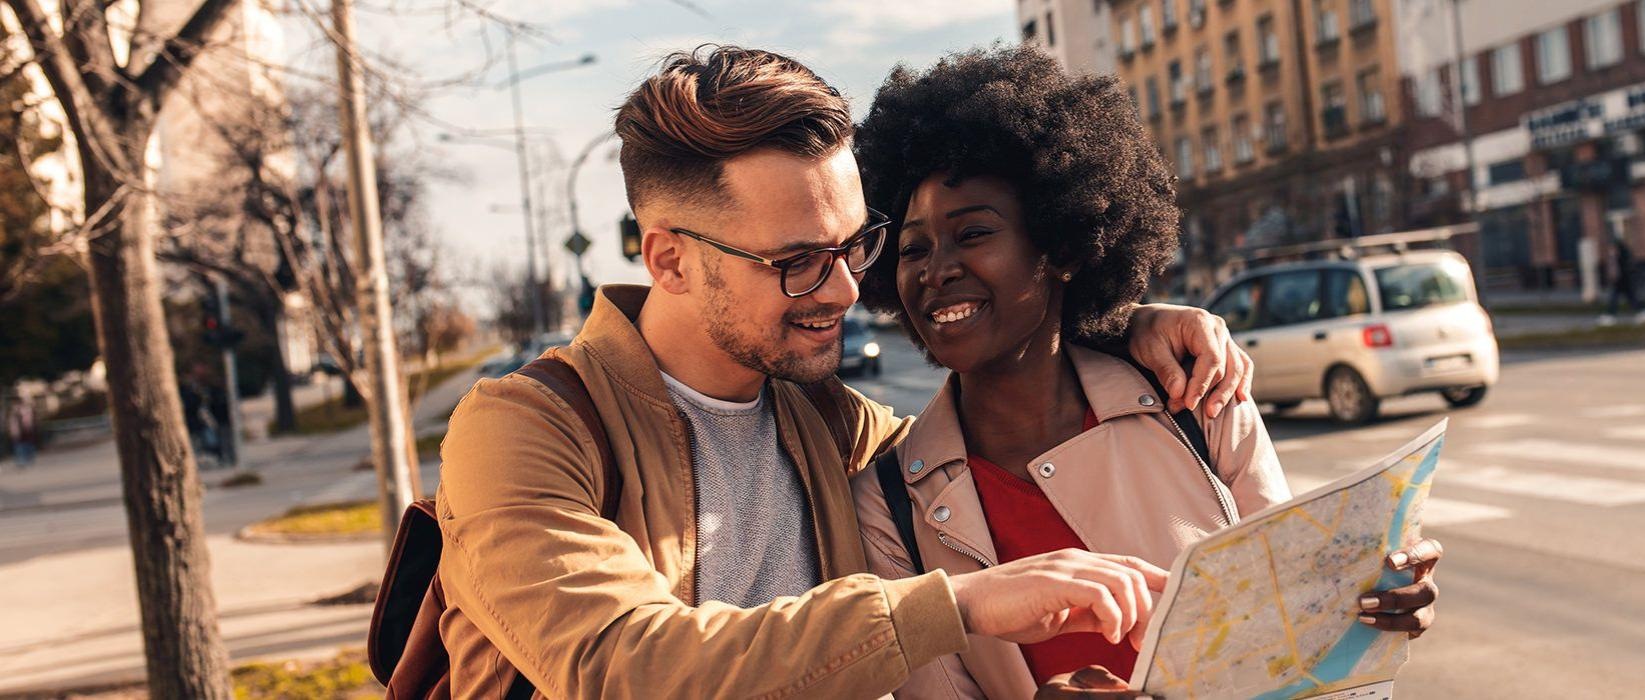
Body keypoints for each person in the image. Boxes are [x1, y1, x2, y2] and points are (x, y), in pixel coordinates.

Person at [433, 45, 1259, 698]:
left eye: (854, 244)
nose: (844, 289)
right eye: (796, 261)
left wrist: (1117, 327)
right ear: (670, 261)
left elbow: (996, 417)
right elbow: (621, 664)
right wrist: (956, 606)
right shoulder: (525, 427)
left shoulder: (832, 422)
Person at [849, 46, 1443, 698]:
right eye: (913, 249)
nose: (936, 270)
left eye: (972, 235)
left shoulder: (1194, 393)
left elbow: (1294, 632)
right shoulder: (887, 499)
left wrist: (1367, 608)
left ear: (1064, 247)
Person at [1599, 229, 1645, 326]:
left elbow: (1619, 267)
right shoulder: (1621, 252)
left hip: (1622, 280)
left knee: (1616, 298)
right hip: (1623, 280)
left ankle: (1610, 316)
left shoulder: (1619, 253)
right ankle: (1643, 311)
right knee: (1629, 297)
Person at [7, 393, 37, 468]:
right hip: (17, 432)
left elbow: (29, 420)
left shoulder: (25, 409)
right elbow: (12, 423)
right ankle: (21, 460)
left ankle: (27, 459)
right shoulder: (12, 412)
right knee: (19, 446)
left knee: (26, 445)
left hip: (25, 431)